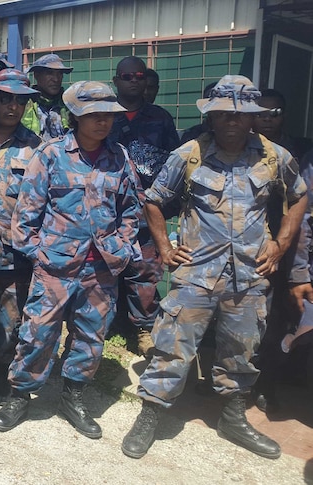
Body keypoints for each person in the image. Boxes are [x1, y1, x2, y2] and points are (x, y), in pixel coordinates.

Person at [121, 75, 307, 460]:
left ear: (252, 118)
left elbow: (300, 197)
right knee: (172, 346)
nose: (232, 122)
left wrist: (282, 242)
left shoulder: (275, 157)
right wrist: (164, 246)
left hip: (250, 275)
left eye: (240, 115)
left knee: (241, 350)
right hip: (196, 273)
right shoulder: (188, 154)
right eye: (224, 114)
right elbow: (153, 201)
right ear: (212, 116)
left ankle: (233, 418)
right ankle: (151, 413)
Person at [0, 81, 140, 439]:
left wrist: (120, 246)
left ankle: (73, 397)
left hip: (101, 269)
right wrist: (38, 253)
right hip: (55, 266)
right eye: (94, 115)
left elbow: (132, 211)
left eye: (108, 115)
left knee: (90, 336)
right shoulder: (51, 154)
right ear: (76, 116)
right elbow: (27, 212)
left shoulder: (119, 158)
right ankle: (20, 395)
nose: (103, 122)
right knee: (38, 333)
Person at [109, 56, 181, 356]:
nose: (134, 80)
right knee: (106, 266)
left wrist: (168, 207)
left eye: (139, 75)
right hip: (107, 208)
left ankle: (141, 328)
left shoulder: (160, 118)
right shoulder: (103, 114)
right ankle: (107, 322)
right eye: (127, 76)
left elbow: (174, 163)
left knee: (145, 270)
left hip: (145, 210)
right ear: (117, 81)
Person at [0, 68, 42, 404]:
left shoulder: (36, 148)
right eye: (6, 99)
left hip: (9, 247)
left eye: (20, 101)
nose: (13, 107)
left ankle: (1, 371)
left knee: (9, 315)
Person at [250, 87, 313, 412]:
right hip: (245, 248)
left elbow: (302, 209)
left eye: (275, 113)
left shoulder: (299, 151)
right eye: (262, 112)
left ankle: (266, 384)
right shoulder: (238, 149)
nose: (268, 119)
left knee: (274, 321)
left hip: (283, 248)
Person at [20, 53, 73, 140]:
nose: (56, 79)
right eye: (50, 73)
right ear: (36, 75)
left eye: (59, 74)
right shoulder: (23, 104)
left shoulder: (70, 106)